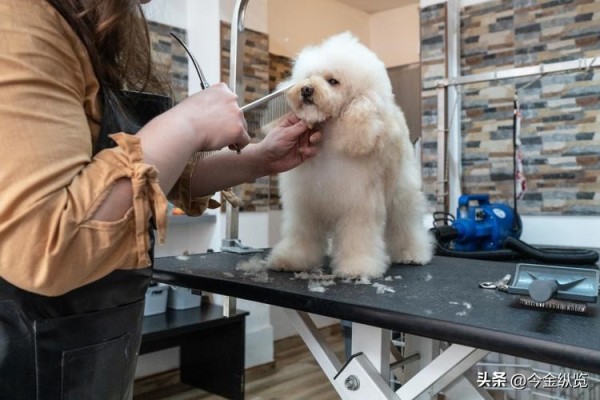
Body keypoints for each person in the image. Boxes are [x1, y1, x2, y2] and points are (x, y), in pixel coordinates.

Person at [0, 0, 319, 398]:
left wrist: (260, 160)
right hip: (27, 351)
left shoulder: (99, 29)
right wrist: (187, 123)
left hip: (93, 337)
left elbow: (156, 175)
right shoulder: (18, 18)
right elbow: (48, 242)